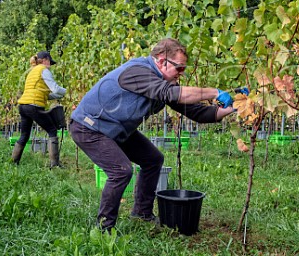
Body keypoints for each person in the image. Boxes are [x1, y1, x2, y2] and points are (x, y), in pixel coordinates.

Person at [69, 38, 236, 232]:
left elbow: (195, 112)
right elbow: (172, 94)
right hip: (88, 127)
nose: (181, 74)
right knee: (121, 171)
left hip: (116, 128)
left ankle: (142, 213)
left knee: (153, 159)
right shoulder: (138, 72)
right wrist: (214, 92)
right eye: (179, 68)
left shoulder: (163, 83)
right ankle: (103, 229)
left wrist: (222, 112)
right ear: (161, 60)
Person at [11, 51, 66, 168]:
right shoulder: (43, 70)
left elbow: (42, 93)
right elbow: (55, 89)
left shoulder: (32, 71)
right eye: (50, 62)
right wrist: (65, 91)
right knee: (52, 131)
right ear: (45, 59)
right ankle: (54, 165)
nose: (50, 65)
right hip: (33, 106)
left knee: (24, 135)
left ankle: (14, 162)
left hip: (23, 105)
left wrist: (58, 95)